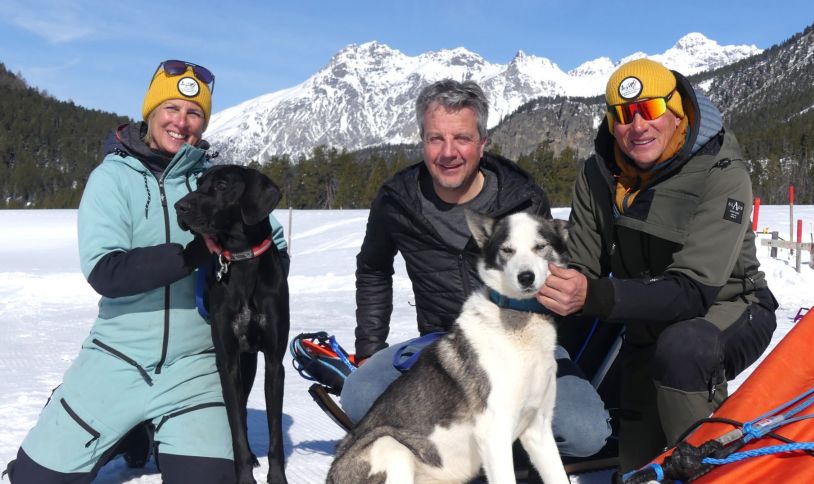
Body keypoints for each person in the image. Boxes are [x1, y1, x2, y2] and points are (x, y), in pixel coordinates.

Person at [6, 60, 289, 483]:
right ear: (151, 112)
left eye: (194, 113)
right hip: (119, 357)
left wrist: (264, 275)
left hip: (195, 368)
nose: (182, 122)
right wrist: (192, 255)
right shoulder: (112, 178)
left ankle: (156, 427)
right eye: (171, 108)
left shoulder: (210, 181)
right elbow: (107, 272)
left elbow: (272, 241)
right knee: (34, 480)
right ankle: (119, 425)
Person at [339, 78, 611, 459]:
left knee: (585, 433)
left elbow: (551, 274)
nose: (448, 152)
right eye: (436, 139)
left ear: (483, 143)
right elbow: (373, 269)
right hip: (441, 343)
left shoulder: (522, 198)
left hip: (521, 341)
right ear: (422, 141)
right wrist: (369, 349)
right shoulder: (397, 200)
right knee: (359, 395)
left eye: (462, 139)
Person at [536, 58, 778, 471]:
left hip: (730, 308)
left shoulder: (722, 172)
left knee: (683, 350)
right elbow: (583, 265)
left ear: (676, 110)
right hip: (646, 319)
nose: (638, 126)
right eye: (623, 115)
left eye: (649, 109)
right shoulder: (599, 173)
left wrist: (590, 294)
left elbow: (693, 291)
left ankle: (708, 468)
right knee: (638, 466)